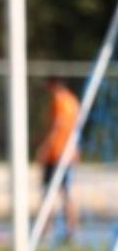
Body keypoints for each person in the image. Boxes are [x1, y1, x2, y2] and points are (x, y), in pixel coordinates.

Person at [36, 77, 80, 240]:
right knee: (66, 193)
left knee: (48, 192)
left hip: (55, 154)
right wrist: (76, 148)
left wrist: (45, 147)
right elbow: (76, 129)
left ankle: (46, 229)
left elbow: (58, 125)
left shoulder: (58, 100)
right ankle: (71, 230)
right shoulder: (73, 101)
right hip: (68, 154)